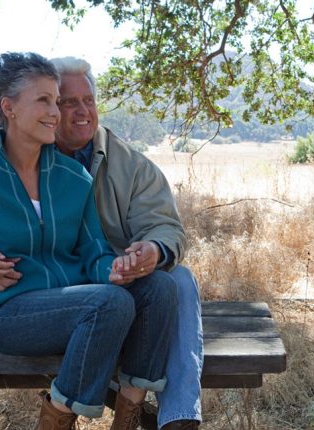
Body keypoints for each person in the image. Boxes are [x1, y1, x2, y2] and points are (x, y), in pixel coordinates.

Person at [0, 52, 176, 430]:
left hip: (74, 305)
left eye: (56, 101)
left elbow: (93, 252)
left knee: (160, 287)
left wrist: (116, 268)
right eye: (44, 100)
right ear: (9, 108)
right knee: (110, 302)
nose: (55, 112)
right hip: (12, 313)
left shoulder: (74, 178)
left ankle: (127, 414)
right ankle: (58, 418)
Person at [49, 56, 204, 430]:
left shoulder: (132, 165)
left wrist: (153, 251)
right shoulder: (26, 157)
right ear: (47, 108)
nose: (83, 111)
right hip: (53, 292)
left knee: (179, 279)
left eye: (89, 100)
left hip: (120, 285)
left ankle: (179, 417)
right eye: (69, 102)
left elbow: (165, 227)